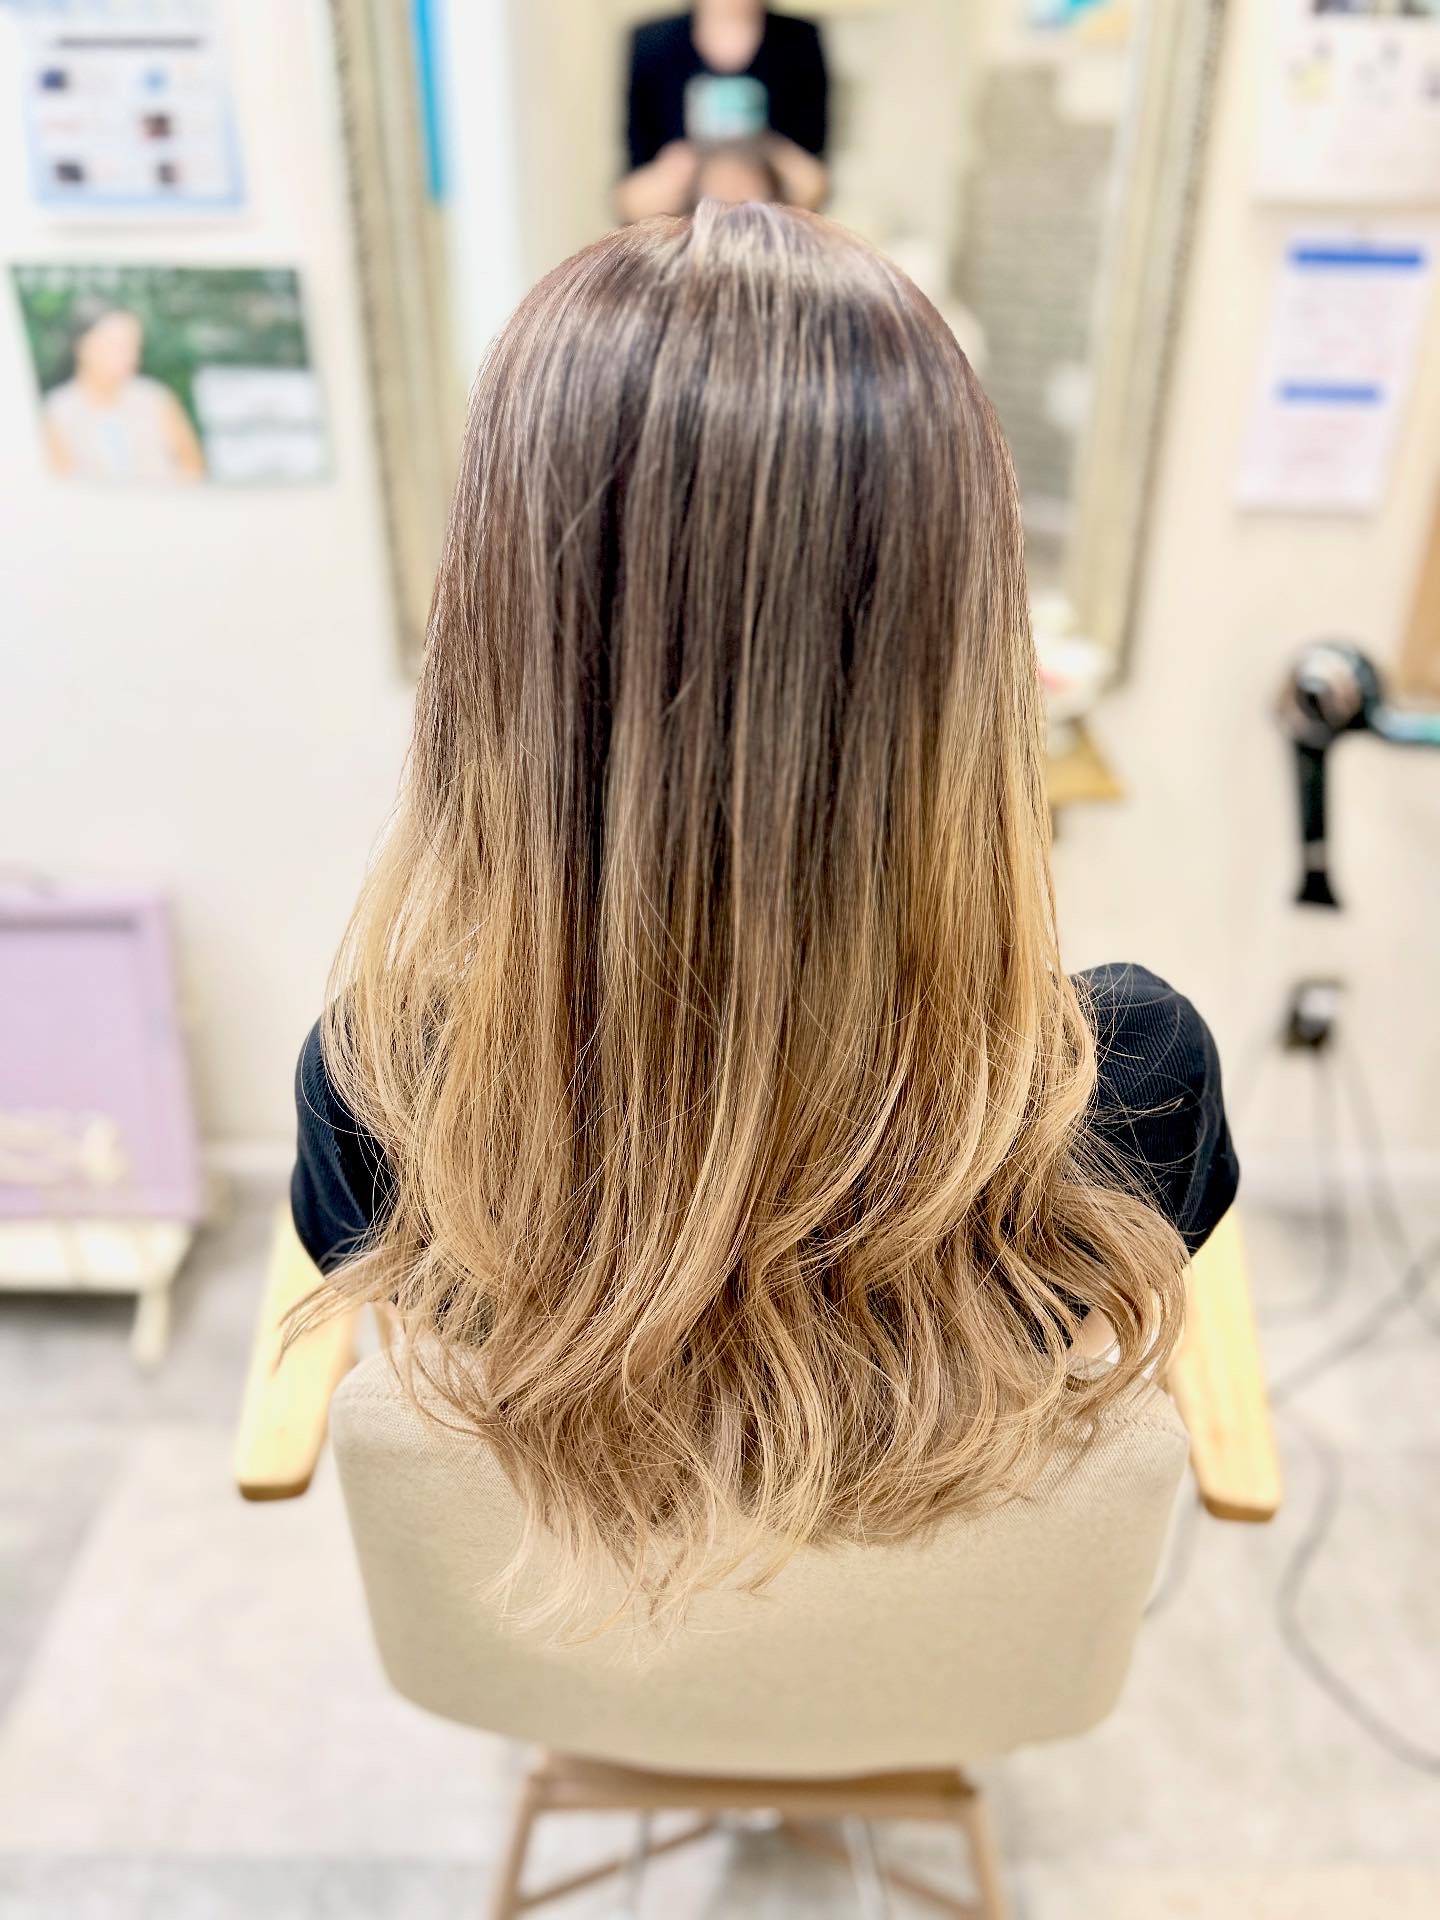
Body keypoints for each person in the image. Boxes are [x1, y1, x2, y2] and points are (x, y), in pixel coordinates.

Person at [292, 204, 1237, 1621]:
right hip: (925, 1647)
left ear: (499, 633)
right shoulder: (1138, 1084)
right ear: (963, 639)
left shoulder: (382, 1094)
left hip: (592, 1638)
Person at [617, 2, 828, 221]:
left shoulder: (799, 42)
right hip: (682, 216)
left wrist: (776, 159)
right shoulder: (654, 43)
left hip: (773, 220)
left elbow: (815, 183)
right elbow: (630, 197)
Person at [42, 299, 205, 483]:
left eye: (134, 346)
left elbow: (194, 468)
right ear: (81, 345)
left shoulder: (156, 399)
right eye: (115, 345)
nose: (130, 356)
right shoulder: (58, 411)